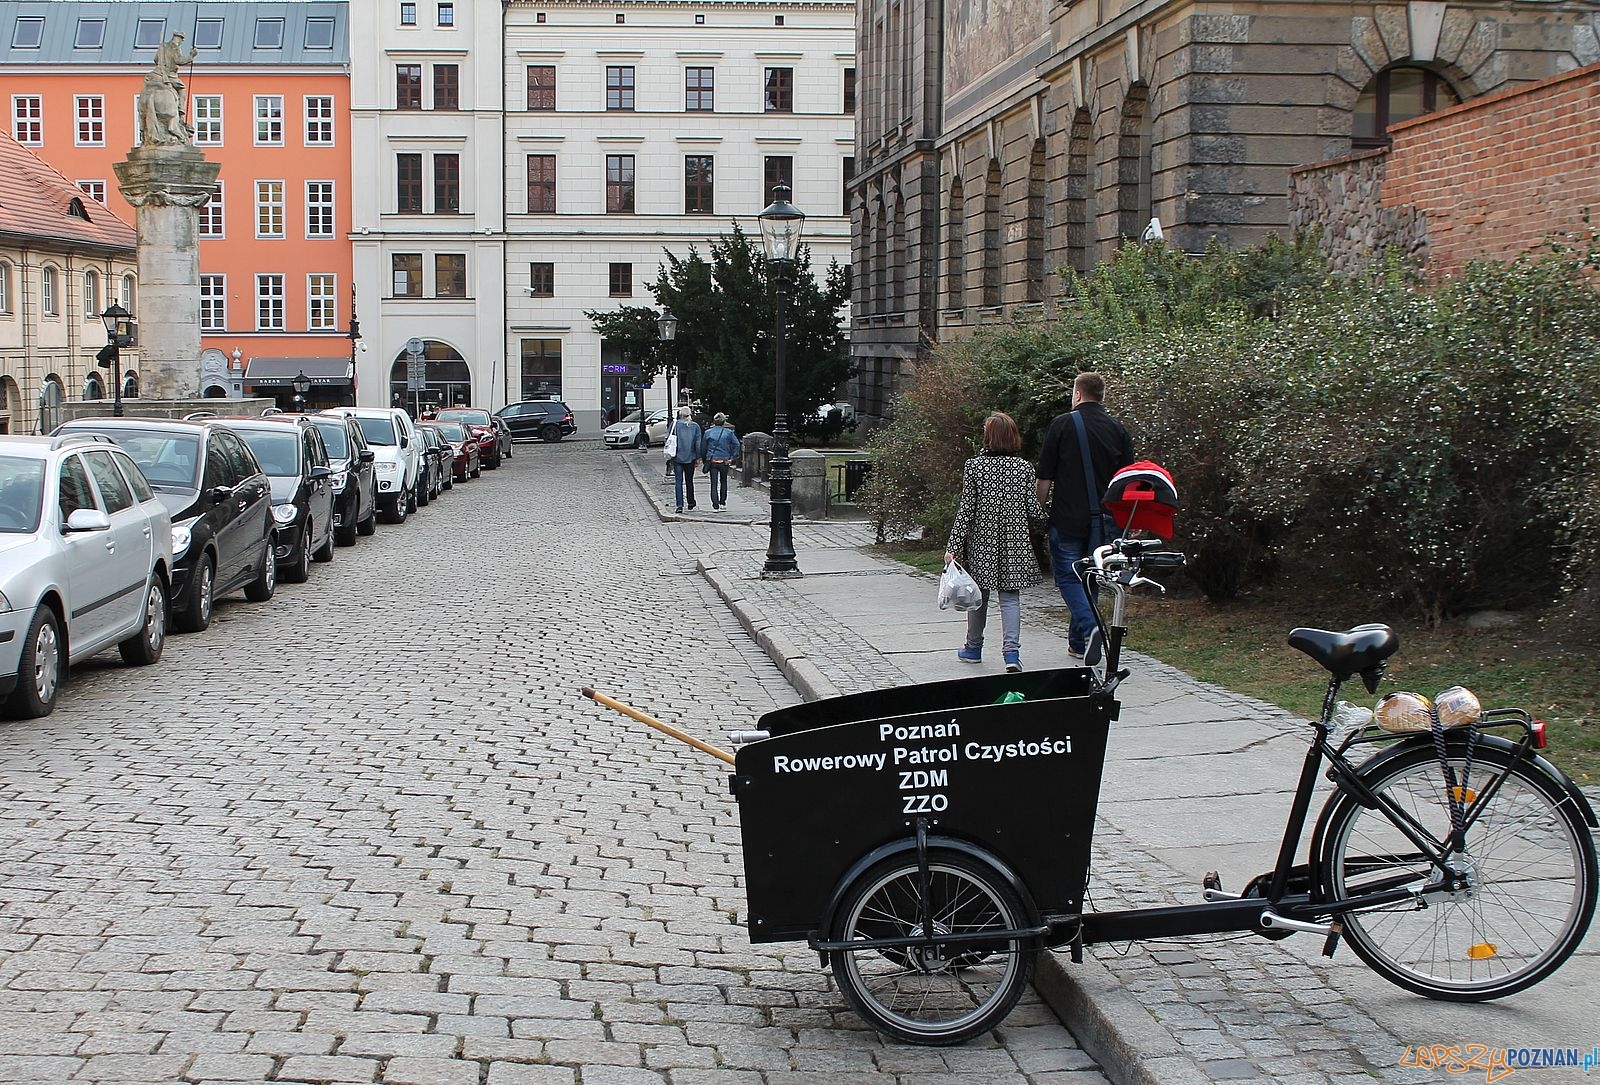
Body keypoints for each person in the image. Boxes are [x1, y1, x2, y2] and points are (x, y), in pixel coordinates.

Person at [1036, 372, 1134, 665]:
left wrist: (1037, 513)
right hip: (1105, 519)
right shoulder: (1118, 429)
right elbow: (1126, 481)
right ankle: (1079, 642)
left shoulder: (1062, 424)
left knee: (1068, 576)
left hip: (1067, 516)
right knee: (1090, 576)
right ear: (1102, 396)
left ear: (1077, 395)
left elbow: (1045, 478)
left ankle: (1091, 629)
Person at [944, 411, 1048, 673]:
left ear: (988, 437)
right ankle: (1011, 654)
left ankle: (973, 648)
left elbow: (966, 509)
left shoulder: (975, 467)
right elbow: (1033, 511)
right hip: (1015, 543)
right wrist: (1052, 519)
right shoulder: (1024, 468)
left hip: (984, 543)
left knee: (978, 598)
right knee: (1010, 599)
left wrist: (953, 546)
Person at [665, 406, 703, 513]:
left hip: (677, 456)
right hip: (690, 457)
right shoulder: (695, 426)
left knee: (678, 481)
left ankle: (679, 505)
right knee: (689, 480)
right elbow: (698, 443)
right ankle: (691, 501)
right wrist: (698, 456)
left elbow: (667, 438)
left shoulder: (675, 425)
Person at [702, 413, 739, 511]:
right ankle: (722, 502)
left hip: (713, 460)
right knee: (723, 481)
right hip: (724, 460)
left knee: (713, 483)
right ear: (724, 422)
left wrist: (705, 460)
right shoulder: (728, 433)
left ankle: (715, 505)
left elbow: (703, 448)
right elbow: (737, 445)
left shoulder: (708, 432)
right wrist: (732, 457)